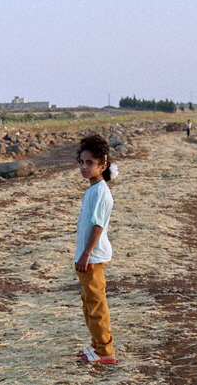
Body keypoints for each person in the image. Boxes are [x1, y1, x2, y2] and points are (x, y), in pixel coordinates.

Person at [74, 134, 117, 364]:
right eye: (81, 162)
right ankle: (97, 344)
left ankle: (106, 352)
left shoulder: (101, 191)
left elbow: (99, 226)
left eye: (90, 163)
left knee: (97, 305)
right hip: (87, 256)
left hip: (93, 257)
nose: (84, 166)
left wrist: (86, 253)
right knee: (89, 303)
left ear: (103, 165)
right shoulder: (93, 189)